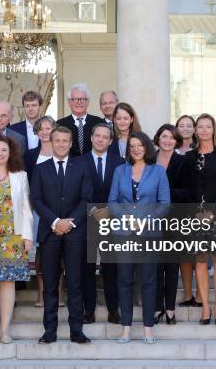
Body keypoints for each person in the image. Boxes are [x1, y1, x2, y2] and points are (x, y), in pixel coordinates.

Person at [30, 126, 93, 344]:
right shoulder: (40, 169)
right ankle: (50, 331)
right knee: (50, 285)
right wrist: (55, 222)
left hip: (75, 234)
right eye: (57, 140)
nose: (61, 144)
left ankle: (77, 330)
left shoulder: (82, 167)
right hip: (49, 233)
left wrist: (68, 223)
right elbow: (36, 200)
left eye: (66, 141)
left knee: (75, 283)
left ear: (71, 143)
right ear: (51, 141)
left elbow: (86, 199)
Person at [108, 131, 170, 344]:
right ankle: (125, 328)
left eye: (139, 145)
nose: (135, 149)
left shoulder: (158, 171)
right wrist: (126, 218)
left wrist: (145, 221)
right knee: (124, 280)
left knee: (149, 281)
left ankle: (148, 328)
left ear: (147, 147)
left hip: (149, 233)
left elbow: (164, 203)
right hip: (123, 233)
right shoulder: (120, 171)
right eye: (132, 146)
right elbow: (112, 201)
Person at [0, 136, 34, 344]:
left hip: (14, 236)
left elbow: (26, 208)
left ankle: (4, 331)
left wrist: (28, 235)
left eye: (4, 150)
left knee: (8, 283)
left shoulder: (20, 176)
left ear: (10, 152)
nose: (0, 154)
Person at [184, 113, 216, 326]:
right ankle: (205, 307)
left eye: (208, 126)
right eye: (200, 127)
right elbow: (187, 190)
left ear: (214, 130)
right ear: (195, 130)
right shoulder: (189, 157)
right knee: (201, 261)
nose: (204, 130)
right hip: (196, 216)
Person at [78, 123, 124, 325]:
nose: (100, 139)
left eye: (105, 137)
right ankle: (89, 310)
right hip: (87, 220)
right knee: (86, 268)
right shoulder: (78, 162)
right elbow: (75, 192)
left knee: (111, 267)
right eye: (97, 136)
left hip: (112, 221)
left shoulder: (120, 163)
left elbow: (125, 192)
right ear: (91, 138)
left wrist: (110, 211)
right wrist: (92, 210)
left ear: (110, 141)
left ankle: (114, 310)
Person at [23, 116, 65, 308]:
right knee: (42, 250)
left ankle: (58, 294)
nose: (45, 131)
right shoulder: (31, 155)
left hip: (62, 210)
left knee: (62, 251)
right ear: (36, 132)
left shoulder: (64, 151)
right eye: (41, 128)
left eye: (49, 128)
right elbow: (27, 184)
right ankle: (41, 295)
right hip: (39, 209)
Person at [153, 124, 190, 325]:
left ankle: (170, 309)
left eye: (171, 138)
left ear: (176, 141)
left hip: (175, 219)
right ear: (158, 139)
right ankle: (157, 306)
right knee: (156, 265)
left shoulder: (183, 162)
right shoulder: (150, 161)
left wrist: (164, 194)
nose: (167, 140)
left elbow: (188, 193)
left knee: (172, 266)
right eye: (164, 136)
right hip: (153, 219)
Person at [176, 115, 201, 308]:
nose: (185, 128)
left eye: (188, 125)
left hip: (198, 205)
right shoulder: (171, 149)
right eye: (181, 125)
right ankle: (187, 294)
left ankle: (200, 294)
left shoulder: (199, 150)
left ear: (194, 129)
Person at [57, 83, 104, 157]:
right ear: (69, 102)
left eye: (83, 99)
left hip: (93, 166)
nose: (79, 102)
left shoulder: (99, 123)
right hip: (69, 166)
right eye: (75, 99)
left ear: (88, 102)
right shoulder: (59, 125)